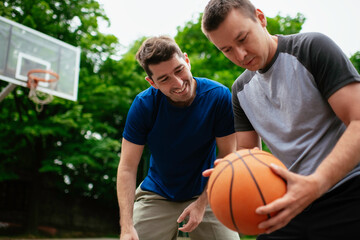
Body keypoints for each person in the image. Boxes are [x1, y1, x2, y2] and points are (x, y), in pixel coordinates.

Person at [201, 0, 360, 239]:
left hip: (348, 189)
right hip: (291, 201)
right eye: (227, 50)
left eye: (242, 39)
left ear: (261, 18)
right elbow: (248, 154)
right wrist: (230, 170)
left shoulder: (312, 48)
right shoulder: (240, 90)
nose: (240, 55)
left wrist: (317, 183)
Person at [116, 35, 240, 240]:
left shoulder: (218, 96)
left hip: (207, 192)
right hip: (157, 193)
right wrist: (127, 226)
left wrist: (202, 204)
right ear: (152, 82)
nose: (178, 83)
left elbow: (228, 156)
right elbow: (127, 167)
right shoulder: (143, 105)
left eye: (179, 70)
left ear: (187, 60)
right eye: (164, 79)